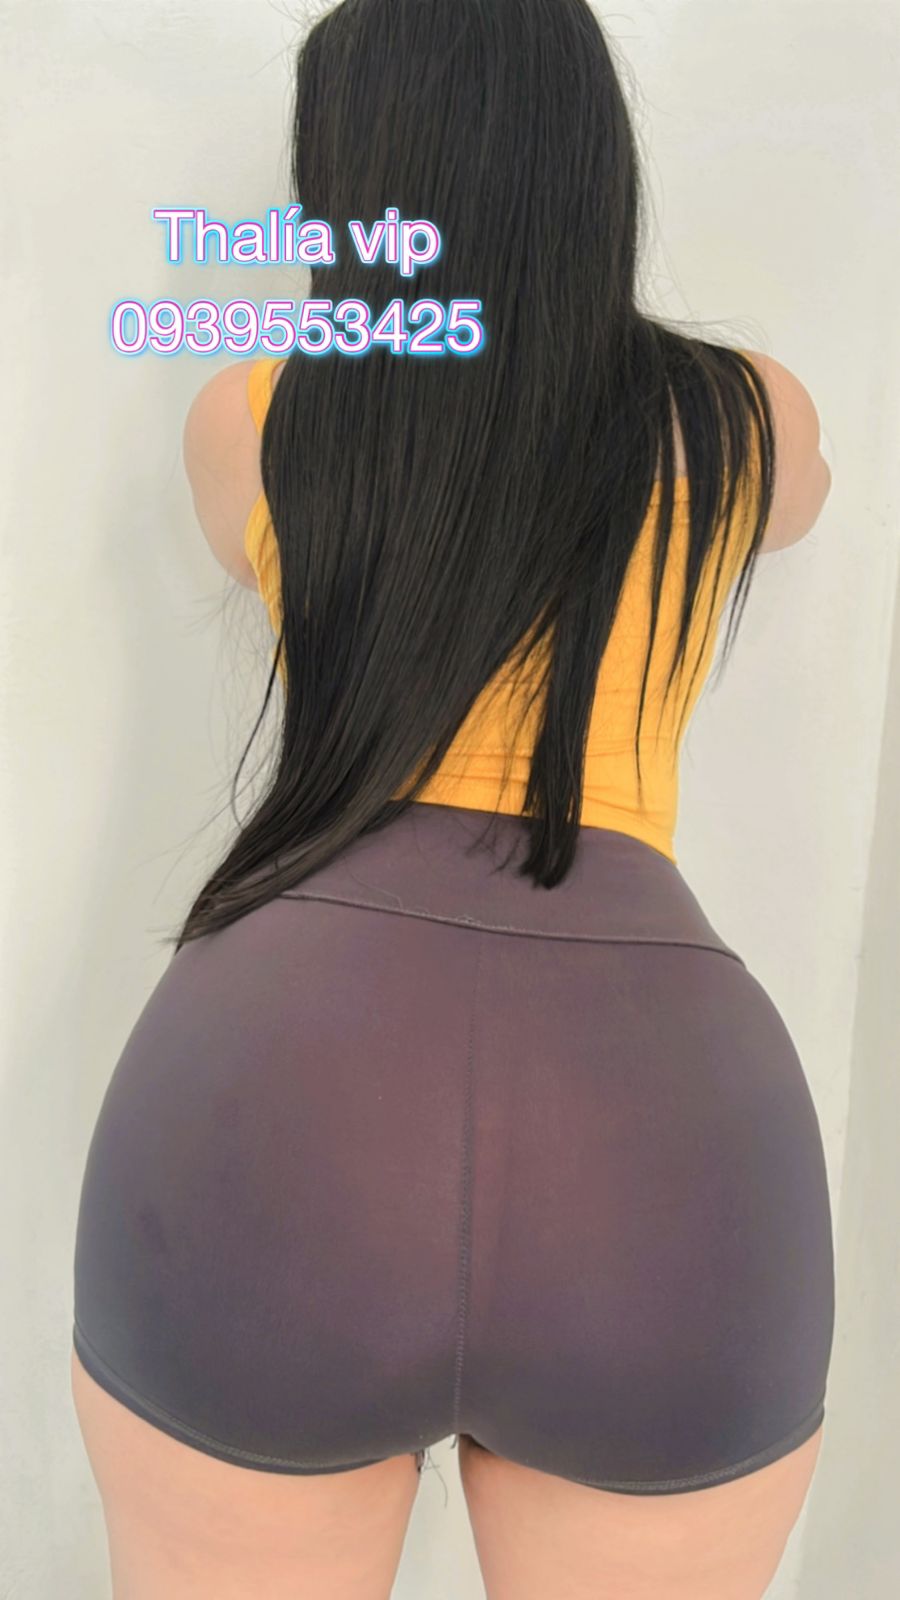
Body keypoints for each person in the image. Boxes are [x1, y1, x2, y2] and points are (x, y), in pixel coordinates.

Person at [70, 2, 834, 1595]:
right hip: (657, 1133)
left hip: (277, 1098)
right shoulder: (742, 420)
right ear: (587, 160)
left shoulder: (258, 417)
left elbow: (256, 540)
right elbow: (801, 505)